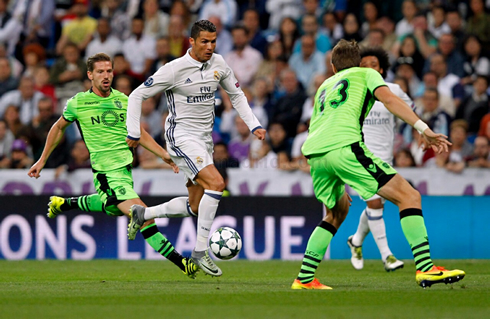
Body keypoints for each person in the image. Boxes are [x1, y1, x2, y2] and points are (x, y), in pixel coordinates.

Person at [291, 39, 465, 290]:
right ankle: (426, 268)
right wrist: (423, 128)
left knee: (335, 213)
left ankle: (304, 279)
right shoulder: (367, 74)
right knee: (410, 196)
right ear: (360, 63)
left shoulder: (324, 86)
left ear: (332, 67)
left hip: (316, 154)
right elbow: (391, 100)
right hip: (345, 147)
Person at [27, 53, 198, 279]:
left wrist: (163, 154)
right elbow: (58, 128)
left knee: (111, 207)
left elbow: (139, 134)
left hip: (125, 172)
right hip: (106, 173)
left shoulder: (124, 100)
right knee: (143, 215)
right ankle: (183, 263)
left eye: (109, 71)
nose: (106, 76)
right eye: (100, 72)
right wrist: (42, 160)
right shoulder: (78, 103)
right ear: (90, 75)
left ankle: (65, 204)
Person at [126, 20, 266, 277]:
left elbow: (236, 94)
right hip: (180, 137)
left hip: (204, 140)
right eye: (204, 41)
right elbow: (136, 96)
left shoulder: (220, 64)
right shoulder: (174, 69)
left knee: (196, 205)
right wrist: (133, 131)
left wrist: (254, 124)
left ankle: (143, 213)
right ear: (191, 41)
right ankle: (200, 253)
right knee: (217, 184)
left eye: (213, 41)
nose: (210, 47)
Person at [347, 47, 413, 272]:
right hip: (361, 158)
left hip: (386, 159)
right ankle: (388, 257)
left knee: (376, 206)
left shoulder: (393, 90)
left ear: (382, 69)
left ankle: (356, 241)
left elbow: (409, 110)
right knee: (374, 204)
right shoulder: (353, 92)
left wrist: (421, 131)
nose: (368, 69)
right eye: (363, 66)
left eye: (373, 65)